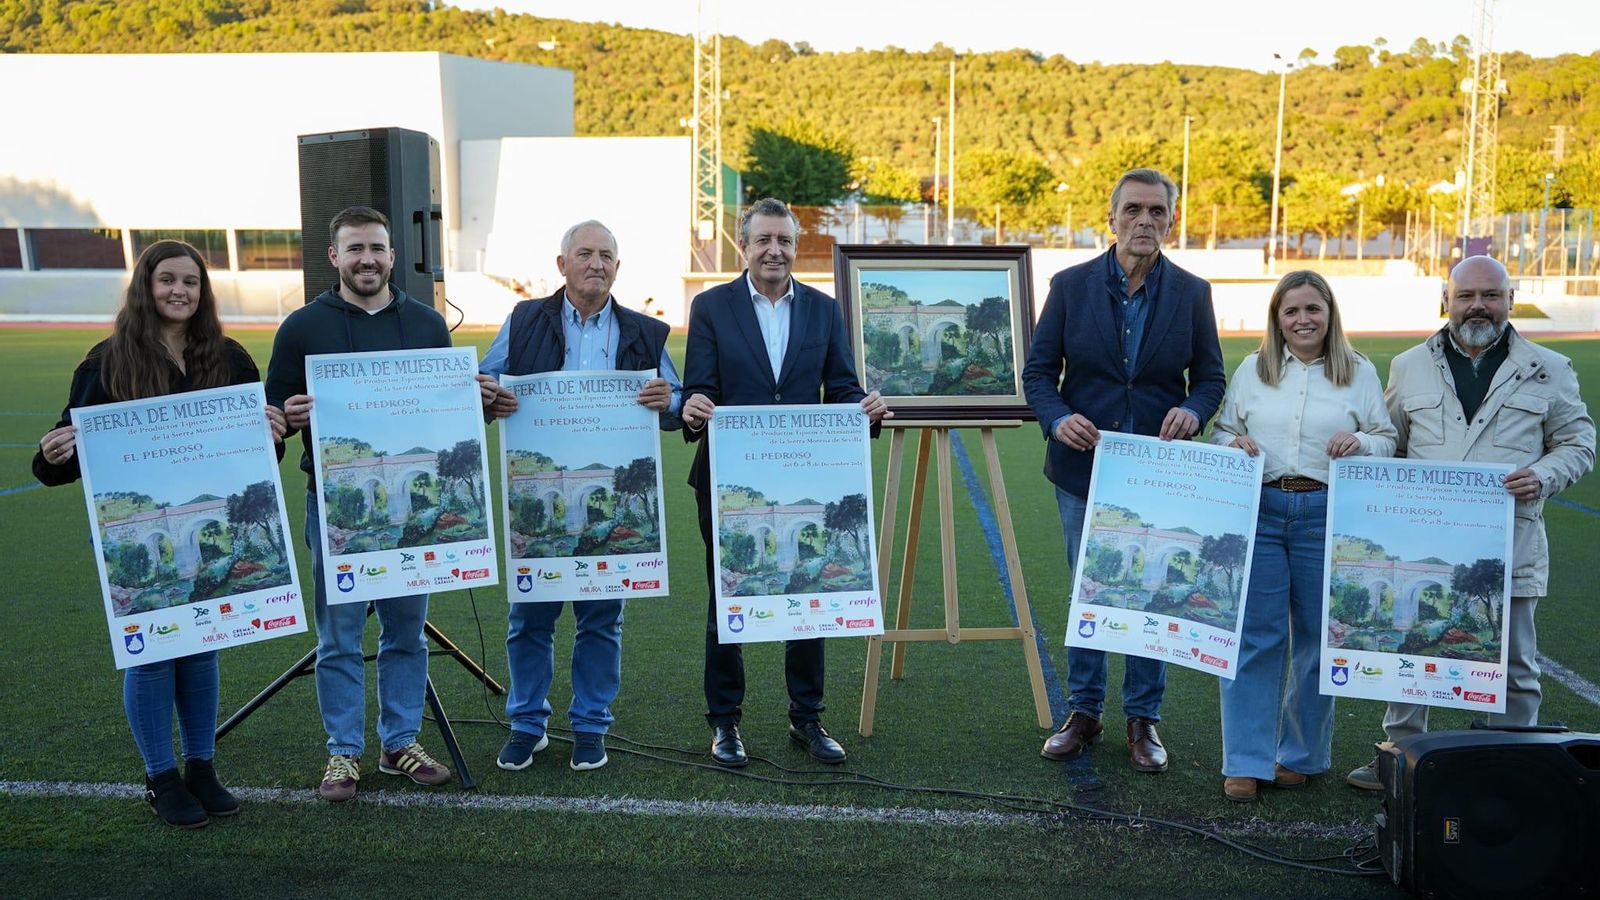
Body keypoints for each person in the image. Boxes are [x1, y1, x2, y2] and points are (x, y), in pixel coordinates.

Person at [34, 239, 286, 828]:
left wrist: (273, 434)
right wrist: (52, 452)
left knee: (201, 648)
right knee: (152, 656)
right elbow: (62, 461)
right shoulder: (106, 362)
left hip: (211, 525)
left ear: (203, 292)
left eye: (191, 283)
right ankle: (160, 775)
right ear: (145, 287)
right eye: (167, 280)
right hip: (141, 530)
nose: (180, 291)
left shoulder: (229, 359)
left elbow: (256, 458)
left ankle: (201, 765)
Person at [265, 206, 504, 802]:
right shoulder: (300, 327)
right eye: (355, 249)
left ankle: (399, 741)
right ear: (334, 257)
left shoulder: (426, 323)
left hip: (411, 514)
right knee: (340, 635)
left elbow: (445, 415)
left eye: (377, 248)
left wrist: (476, 401)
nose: (367, 259)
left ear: (393, 255)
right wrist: (287, 418)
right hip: (334, 506)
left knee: (406, 630)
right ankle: (343, 752)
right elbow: (269, 418)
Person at [1346, 255, 1594, 790]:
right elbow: (1392, 443)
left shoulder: (1549, 367)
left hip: (1510, 539)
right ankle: (1398, 752)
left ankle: (1511, 763)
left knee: (1514, 662)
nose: (1477, 305)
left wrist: (1544, 475)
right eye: (1466, 296)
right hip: (1423, 538)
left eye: (1490, 294)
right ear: (1447, 301)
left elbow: (1579, 443)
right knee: (1411, 647)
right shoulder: (1410, 365)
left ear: (1510, 299)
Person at [1022, 167, 1227, 773]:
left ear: (1171, 220)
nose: (1144, 221)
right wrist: (1059, 420)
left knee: (1151, 591)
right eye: (1133, 210)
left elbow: (1210, 378)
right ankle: (1084, 712)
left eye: (1156, 212)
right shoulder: (1070, 285)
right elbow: (1038, 375)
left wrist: (1193, 411)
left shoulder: (1192, 293)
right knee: (1095, 586)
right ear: (1110, 219)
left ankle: (1144, 719)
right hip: (1084, 470)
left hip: (1158, 474)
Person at [680, 197, 891, 767]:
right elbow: (699, 388)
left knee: (809, 586)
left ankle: (808, 718)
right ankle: (724, 722)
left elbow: (843, 386)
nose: (775, 251)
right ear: (743, 246)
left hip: (808, 479)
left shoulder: (824, 310)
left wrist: (863, 407)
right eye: (764, 240)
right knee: (731, 593)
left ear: (797, 248)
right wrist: (692, 407)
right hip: (729, 481)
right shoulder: (711, 308)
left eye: (786, 242)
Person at [478, 220, 682, 772]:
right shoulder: (524, 320)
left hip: (611, 498)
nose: (597, 264)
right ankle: (528, 724)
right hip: (539, 492)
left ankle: (591, 725)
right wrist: (490, 395)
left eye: (607, 256)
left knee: (600, 620)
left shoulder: (646, 331)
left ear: (618, 267)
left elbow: (680, 403)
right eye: (585, 254)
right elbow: (484, 381)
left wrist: (669, 399)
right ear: (562, 263)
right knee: (530, 620)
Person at [1210, 271, 1396, 802]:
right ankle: (1245, 760)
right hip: (1263, 509)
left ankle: (1300, 755)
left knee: (1319, 639)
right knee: (1255, 637)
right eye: (1291, 312)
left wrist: (1360, 440)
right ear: (1277, 318)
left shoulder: (1358, 372)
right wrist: (1234, 443)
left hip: (1326, 513)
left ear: (1330, 313)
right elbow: (1223, 430)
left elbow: (1387, 439)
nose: (1302, 320)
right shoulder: (1253, 369)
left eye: (1313, 309)